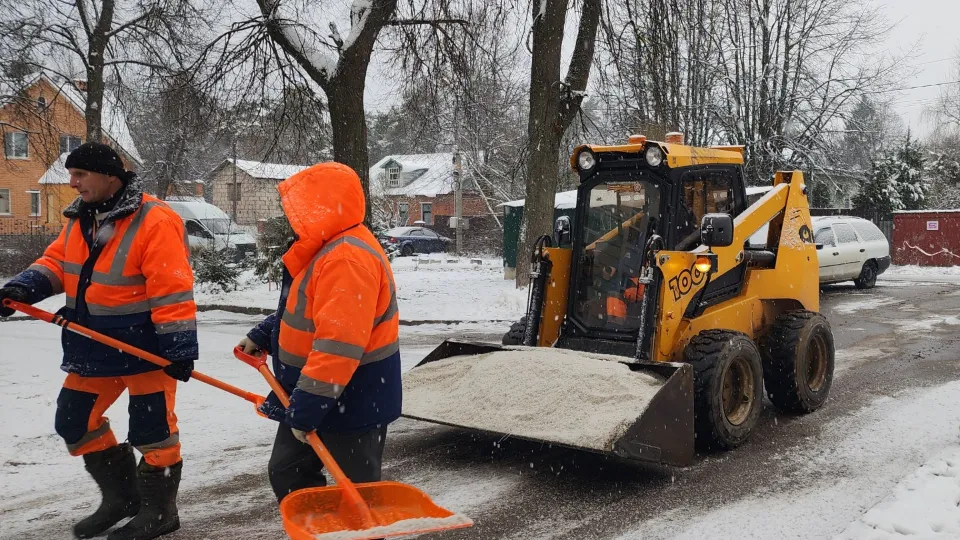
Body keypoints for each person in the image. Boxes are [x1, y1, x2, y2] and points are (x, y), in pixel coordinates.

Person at [0, 142, 198, 540]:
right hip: (91, 345)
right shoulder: (80, 218)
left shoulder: (154, 220)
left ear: (110, 176)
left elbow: (171, 290)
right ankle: (123, 500)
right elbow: (58, 263)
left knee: (153, 432)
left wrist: (179, 350)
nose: (72, 184)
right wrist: (22, 289)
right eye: (72, 175)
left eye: (80, 175)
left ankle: (160, 511)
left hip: (145, 350)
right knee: (74, 420)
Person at [237, 162, 402, 503]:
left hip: (351, 400)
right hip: (311, 396)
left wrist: (307, 408)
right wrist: (265, 334)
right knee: (287, 471)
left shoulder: (347, 259)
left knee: (357, 496)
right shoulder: (326, 249)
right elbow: (309, 313)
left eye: (301, 208)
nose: (294, 216)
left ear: (324, 207)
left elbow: (337, 346)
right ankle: (317, 529)